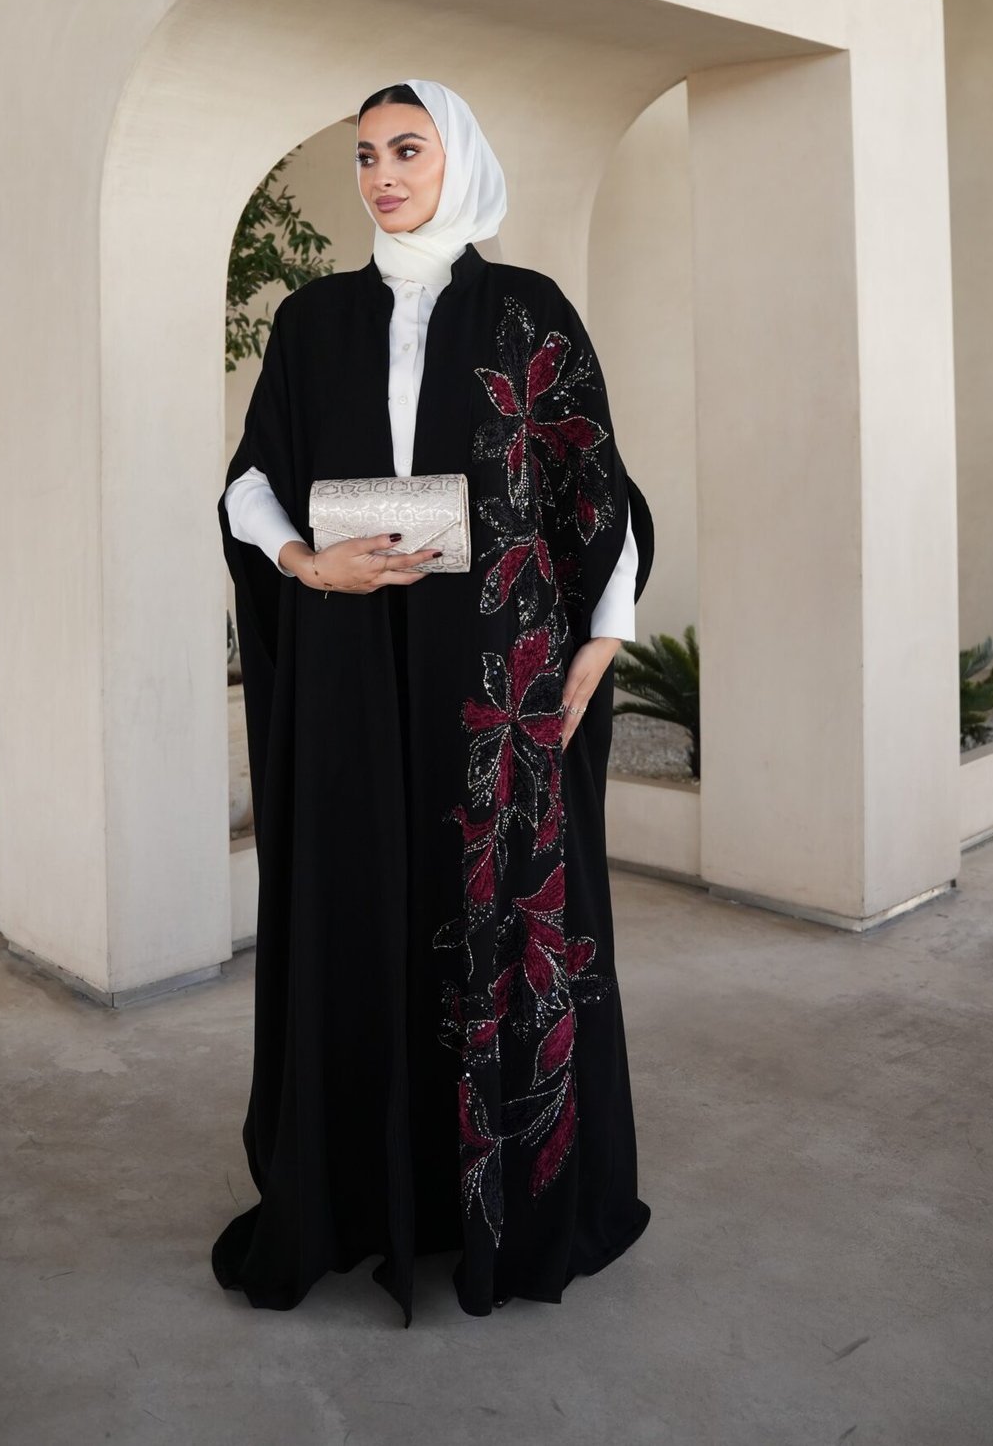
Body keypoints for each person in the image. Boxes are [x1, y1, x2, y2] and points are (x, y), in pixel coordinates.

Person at [214, 79, 654, 1323]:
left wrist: (603, 638)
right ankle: (360, 1195)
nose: (384, 175)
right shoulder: (313, 320)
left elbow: (597, 487)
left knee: (493, 921)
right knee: (358, 909)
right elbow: (251, 481)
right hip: (352, 676)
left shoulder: (527, 311)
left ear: (456, 159)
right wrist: (305, 563)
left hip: (493, 687)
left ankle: (500, 1206)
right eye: (365, 156)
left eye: (407, 149)